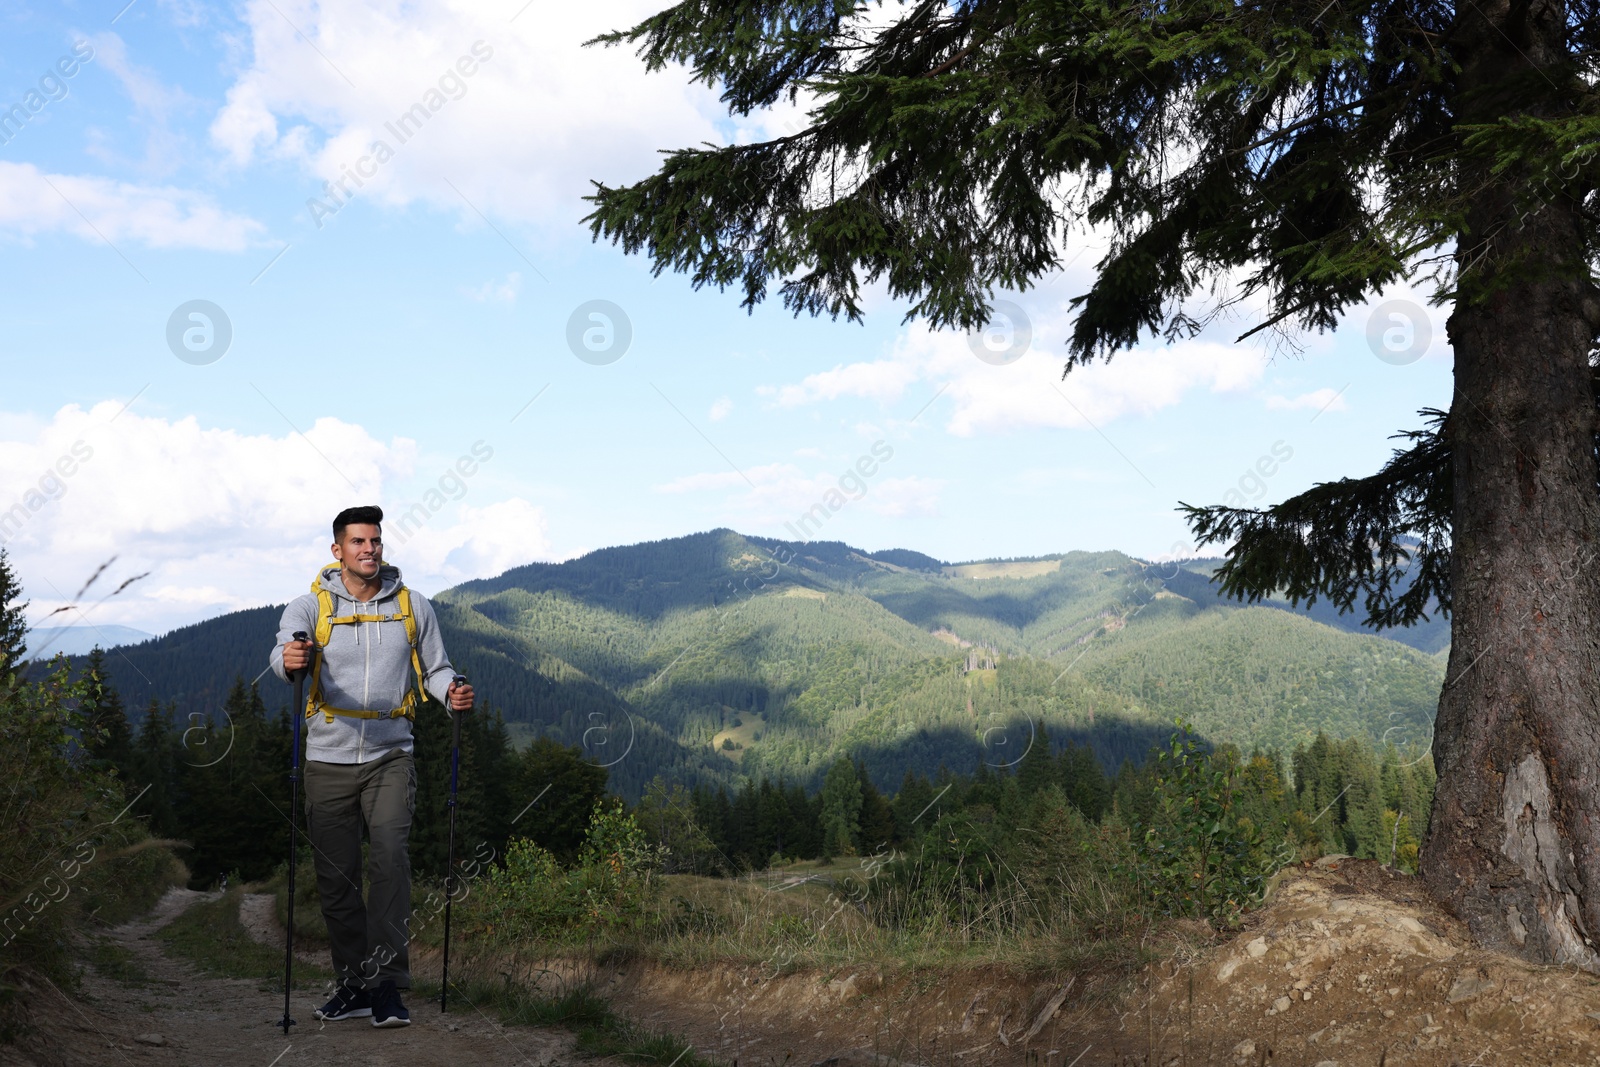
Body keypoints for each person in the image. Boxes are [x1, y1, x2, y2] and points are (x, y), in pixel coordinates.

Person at [270, 505, 473, 1028]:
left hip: (391, 754)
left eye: (375, 541)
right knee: (336, 879)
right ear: (337, 551)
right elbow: (284, 652)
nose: (370, 550)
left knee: (389, 863)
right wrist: (290, 661)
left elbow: (436, 667)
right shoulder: (307, 607)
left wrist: (449, 692)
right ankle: (354, 985)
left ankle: (386, 987)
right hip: (327, 757)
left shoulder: (412, 605)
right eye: (358, 542)